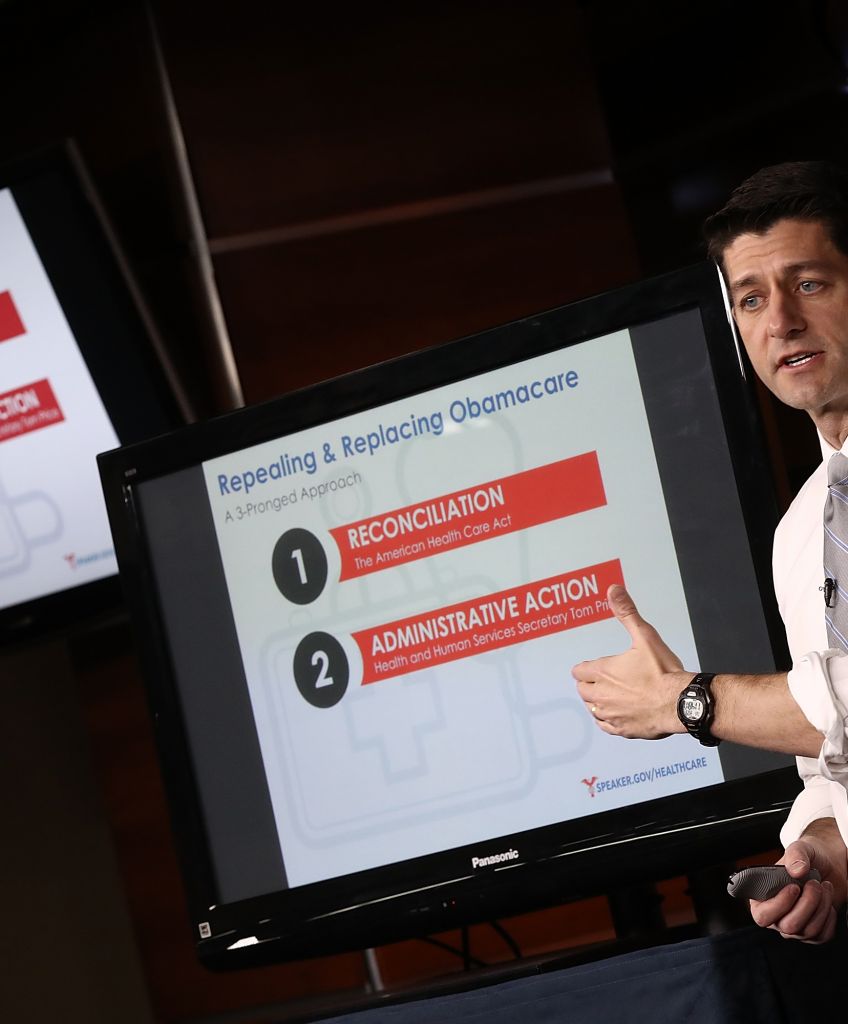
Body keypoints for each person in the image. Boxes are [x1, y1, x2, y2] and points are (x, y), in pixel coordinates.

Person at [572, 161, 848, 944]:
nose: (781, 322)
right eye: (751, 299)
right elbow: (832, 769)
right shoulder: (802, 532)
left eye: (811, 284)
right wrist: (822, 858)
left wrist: (686, 701)